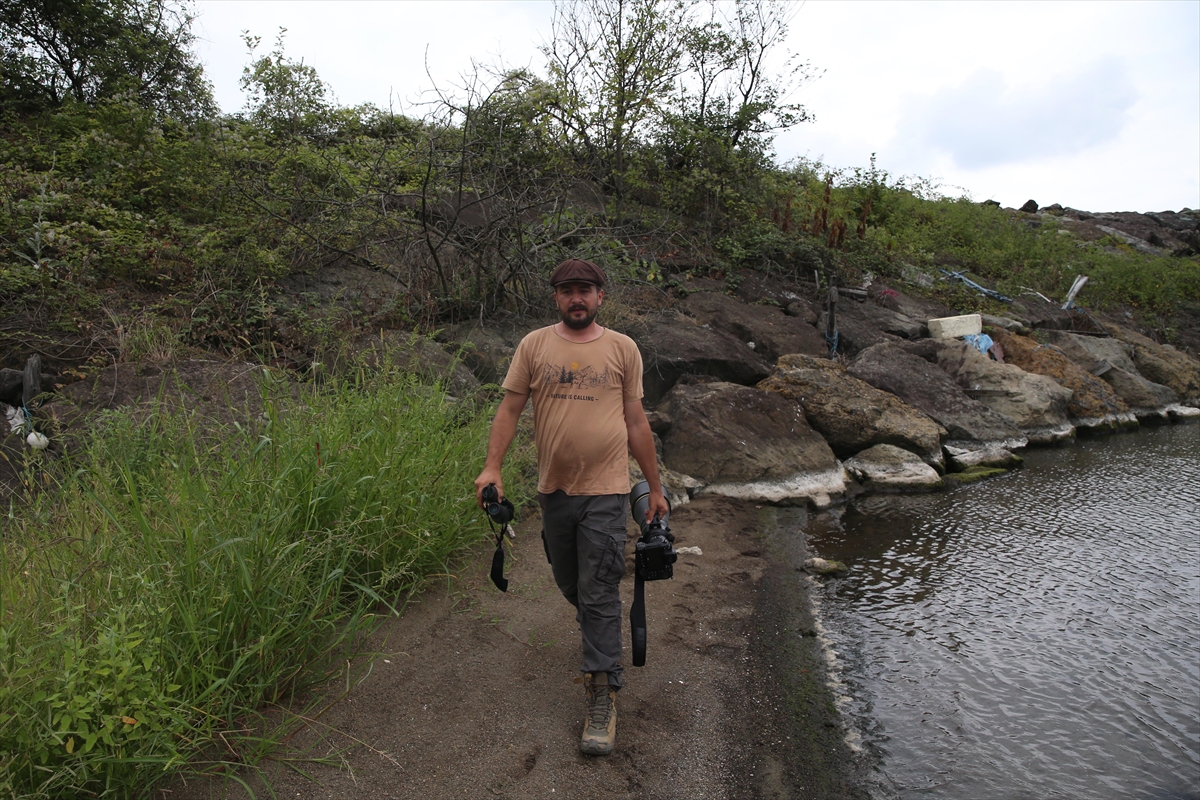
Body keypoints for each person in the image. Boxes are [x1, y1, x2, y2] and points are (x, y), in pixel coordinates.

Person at [474, 257, 669, 756]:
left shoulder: (623, 348)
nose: (576, 297)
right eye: (567, 290)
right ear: (556, 297)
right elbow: (510, 409)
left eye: (585, 289)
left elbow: (635, 421)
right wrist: (492, 467)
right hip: (554, 491)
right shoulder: (534, 345)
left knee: (598, 589)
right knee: (571, 583)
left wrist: (654, 487)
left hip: (606, 490)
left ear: (601, 296)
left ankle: (602, 693)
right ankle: (601, 638)